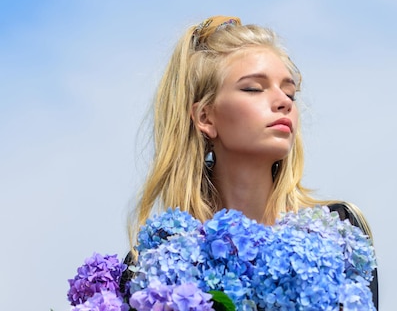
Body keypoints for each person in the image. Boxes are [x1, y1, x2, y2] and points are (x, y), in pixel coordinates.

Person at [124, 15, 378, 307]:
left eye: (290, 92)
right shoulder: (150, 264)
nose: (283, 101)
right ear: (205, 117)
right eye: (254, 88)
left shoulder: (340, 230)